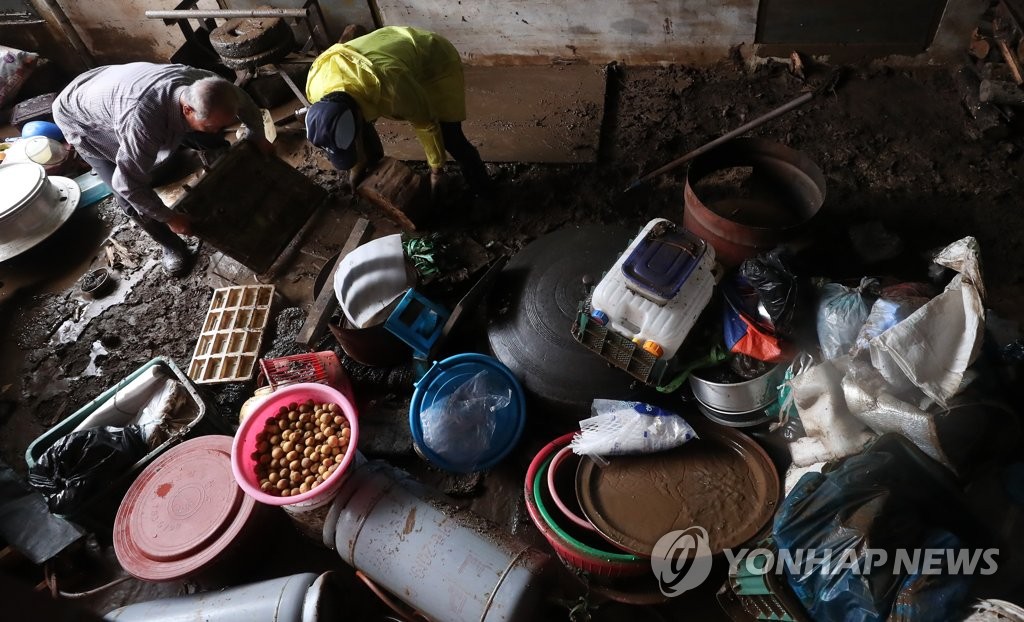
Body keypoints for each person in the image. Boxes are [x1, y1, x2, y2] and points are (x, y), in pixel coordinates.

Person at [52, 63, 272, 277]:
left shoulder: (205, 83)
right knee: (129, 198)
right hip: (79, 115)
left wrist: (257, 135)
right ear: (187, 109)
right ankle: (172, 246)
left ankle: (221, 178)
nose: (219, 130)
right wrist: (170, 218)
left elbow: (245, 104)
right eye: (211, 125)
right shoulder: (144, 124)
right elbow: (127, 184)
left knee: (207, 137)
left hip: (105, 82)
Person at [304, 26, 491, 204]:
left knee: (451, 137)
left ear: (358, 116)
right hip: (382, 53)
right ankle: (376, 166)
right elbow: (349, 128)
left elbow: (427, 123)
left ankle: (484, 191)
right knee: (362, 133)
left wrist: (436, 171)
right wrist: (357, 168)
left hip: (434, 61)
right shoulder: (315, 87)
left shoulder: (392, 89)